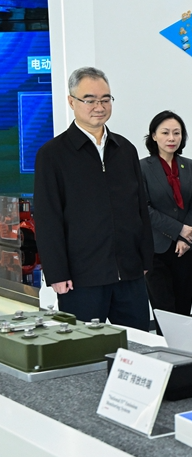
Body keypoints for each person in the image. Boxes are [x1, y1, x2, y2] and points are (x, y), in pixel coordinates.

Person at [33, 66, 153, 329]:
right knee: (84, 349)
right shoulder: (52, 154)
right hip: (80, 278)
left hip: (129, 273)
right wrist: (57, 272)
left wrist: (145, 259)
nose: (99, 107)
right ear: (71, 102)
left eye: (105, 99)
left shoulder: (125, 149)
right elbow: (48, 218)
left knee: (139, 345)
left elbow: (140, 209)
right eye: (90, 100)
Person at [140, 111, 192, 322]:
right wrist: (179, 230)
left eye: (177, 133)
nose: (171, 138)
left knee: (183, 311)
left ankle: (185, 346)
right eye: (165, 132)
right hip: (156, 249)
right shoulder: (142, 167)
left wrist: (186, 236)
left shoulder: (189, 165)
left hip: (186, 249)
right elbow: (144, 209)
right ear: (154, 136)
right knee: (165, 312)